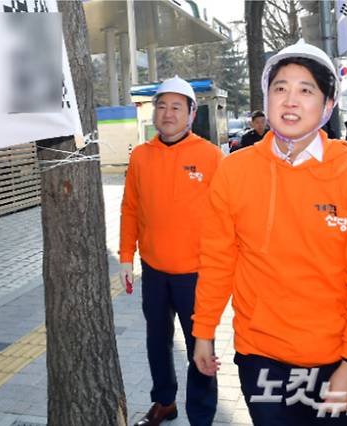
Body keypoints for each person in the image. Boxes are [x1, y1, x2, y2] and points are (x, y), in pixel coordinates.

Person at [192, 39, 347, 426]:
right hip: (262, 359)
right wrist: (203, 330)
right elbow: (218, 258)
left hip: (340, 359)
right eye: (280, 88)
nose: (290, 100)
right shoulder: (235, 170)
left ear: (328, 106)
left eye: (305, 90)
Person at [119, 76, 222, 426]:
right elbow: (130, 208)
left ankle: (202, 414)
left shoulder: (210, 156)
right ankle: (164, 401)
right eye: (161, 106)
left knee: (201, 347)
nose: (167, 114)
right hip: (155, 272)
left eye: (176, 107)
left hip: (196, 274)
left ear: (192, 113)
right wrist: (124, 257)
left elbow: (228, 215)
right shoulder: (141, 157)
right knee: (156, 342)